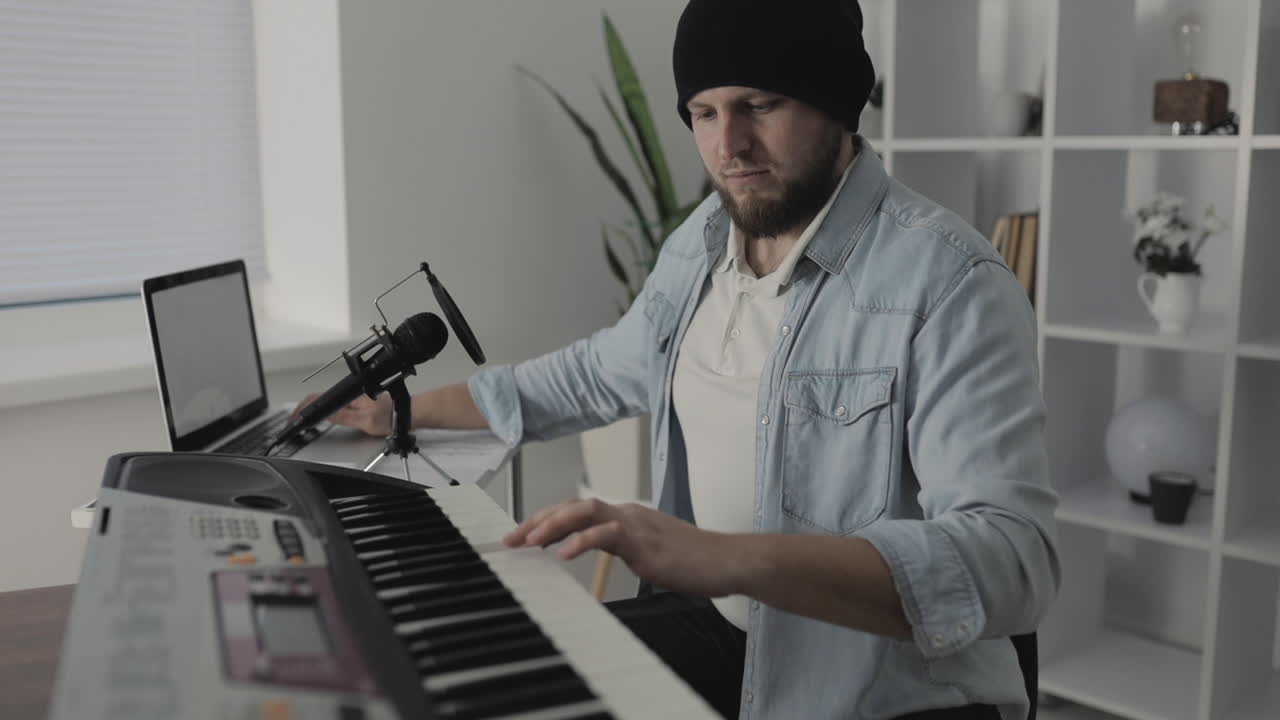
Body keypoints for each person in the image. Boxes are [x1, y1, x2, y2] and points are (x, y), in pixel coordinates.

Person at [311, 1, 1059, 718]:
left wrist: (723, 557)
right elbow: (601, 371)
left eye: (759, 104)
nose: (726, 147)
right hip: (726, 629)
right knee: (479, 680)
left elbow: (1011, 559)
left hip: (877, 691)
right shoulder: (703, 239)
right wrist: (402, 409)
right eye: (703, 113)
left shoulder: (952, 283)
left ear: (836, 104)